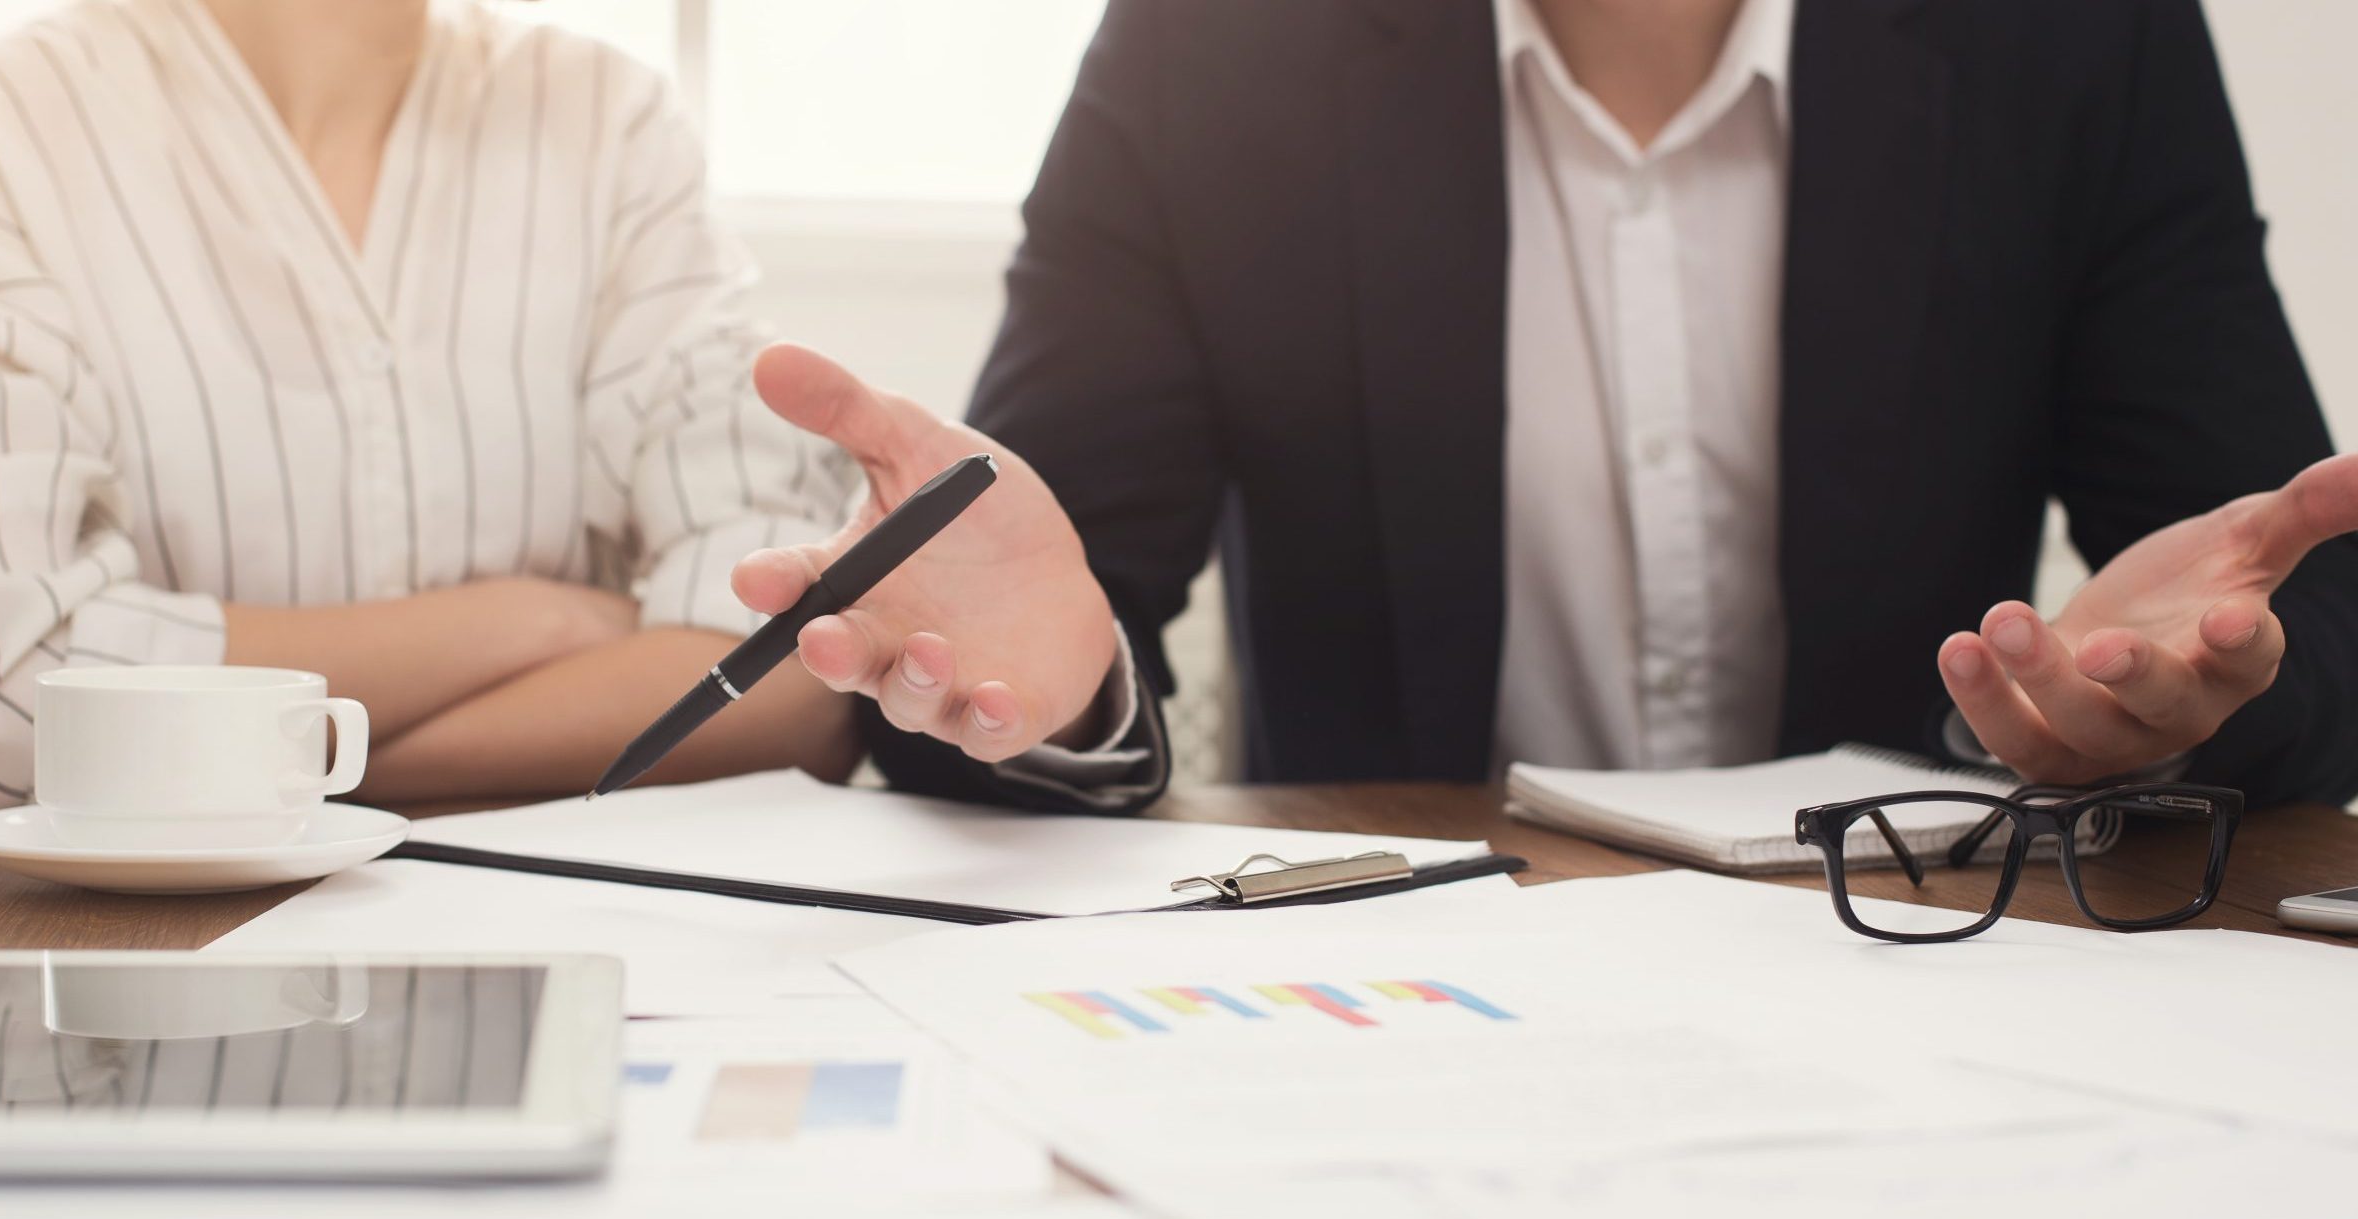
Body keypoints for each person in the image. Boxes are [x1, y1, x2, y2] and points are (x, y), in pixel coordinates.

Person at [726, 0, 2358, 814]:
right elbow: (1032, 637)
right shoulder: (1215, 45)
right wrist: (1048, 702)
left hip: (1919, 969)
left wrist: (2201, 700)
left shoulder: (2073, 39)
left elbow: (2305, 605)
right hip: (1399, 1015)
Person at [0, 0, 860, 817]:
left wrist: (280, 763)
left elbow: (790, 677)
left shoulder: (608, 119)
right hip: (121, 984)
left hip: (542, 936)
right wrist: (535, 621)